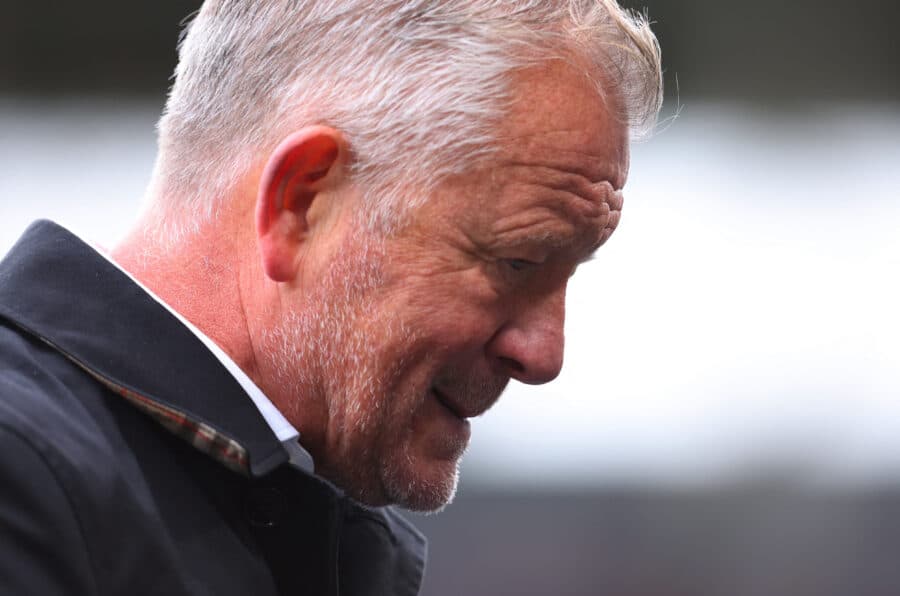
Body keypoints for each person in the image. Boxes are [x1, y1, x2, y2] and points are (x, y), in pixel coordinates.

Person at [0, 1, 662, 594]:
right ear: (302, 203)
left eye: (569, 273)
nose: (545, 355)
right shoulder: (24, 479)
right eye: (518, 261)